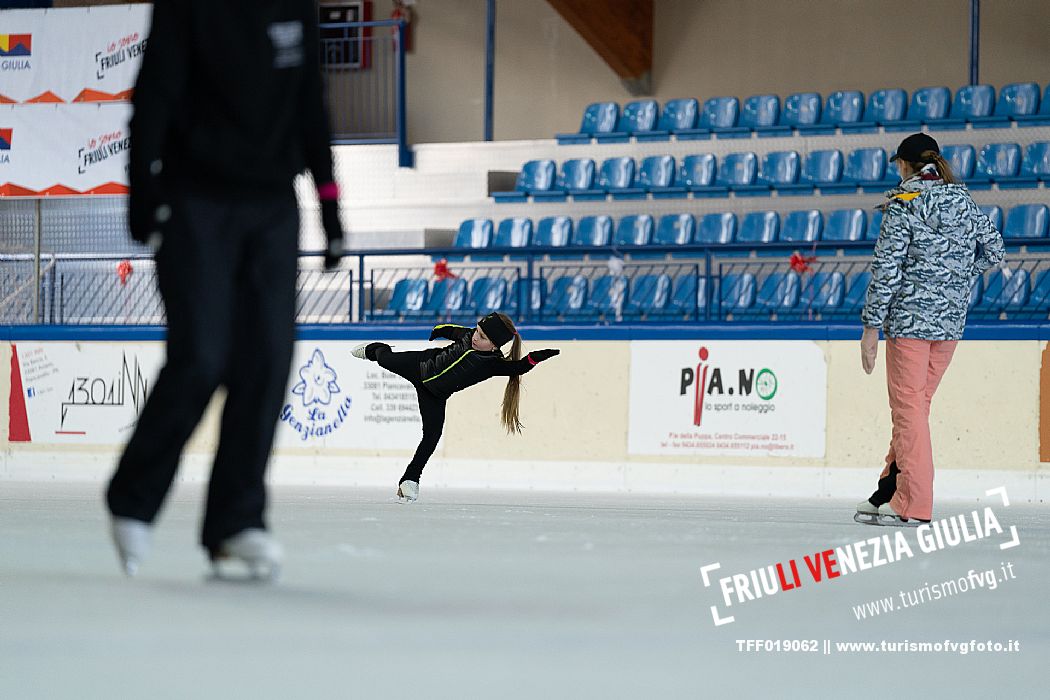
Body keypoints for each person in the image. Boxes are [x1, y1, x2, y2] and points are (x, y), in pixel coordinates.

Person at [105, 0, 345, 579]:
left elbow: (310, 102)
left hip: (271, 206)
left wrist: (331, 206)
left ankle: (236, 522)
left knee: (266, 359)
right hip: (197, 201)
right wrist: (142, 194)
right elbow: (155, 95)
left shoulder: (295, 7)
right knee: (203, 356)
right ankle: (132, 499)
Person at [855, 132, 1003, 527]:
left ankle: (913, 502)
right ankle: (888, 490)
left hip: (909, 323)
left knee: (908, 411)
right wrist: (957, 278)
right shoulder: (963, 201)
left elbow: (886, 271)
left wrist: (870, 328)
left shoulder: (904, 206)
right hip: (950, 324)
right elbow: (995, 249)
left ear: (903, 165)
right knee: (915, 409)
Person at [352, 312, 559, 502]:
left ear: (495, 347)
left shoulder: (494, 364)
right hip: (420, 365)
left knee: (432, 436)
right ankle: (375, 348)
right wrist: (440, 330)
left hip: (433, 395)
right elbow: (452, 330)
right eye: (478, 330)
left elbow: (518, 367)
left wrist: (534, 358)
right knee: (384, 359)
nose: (476, 337)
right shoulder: (469, 336)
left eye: (483, 337)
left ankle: (410, 479)